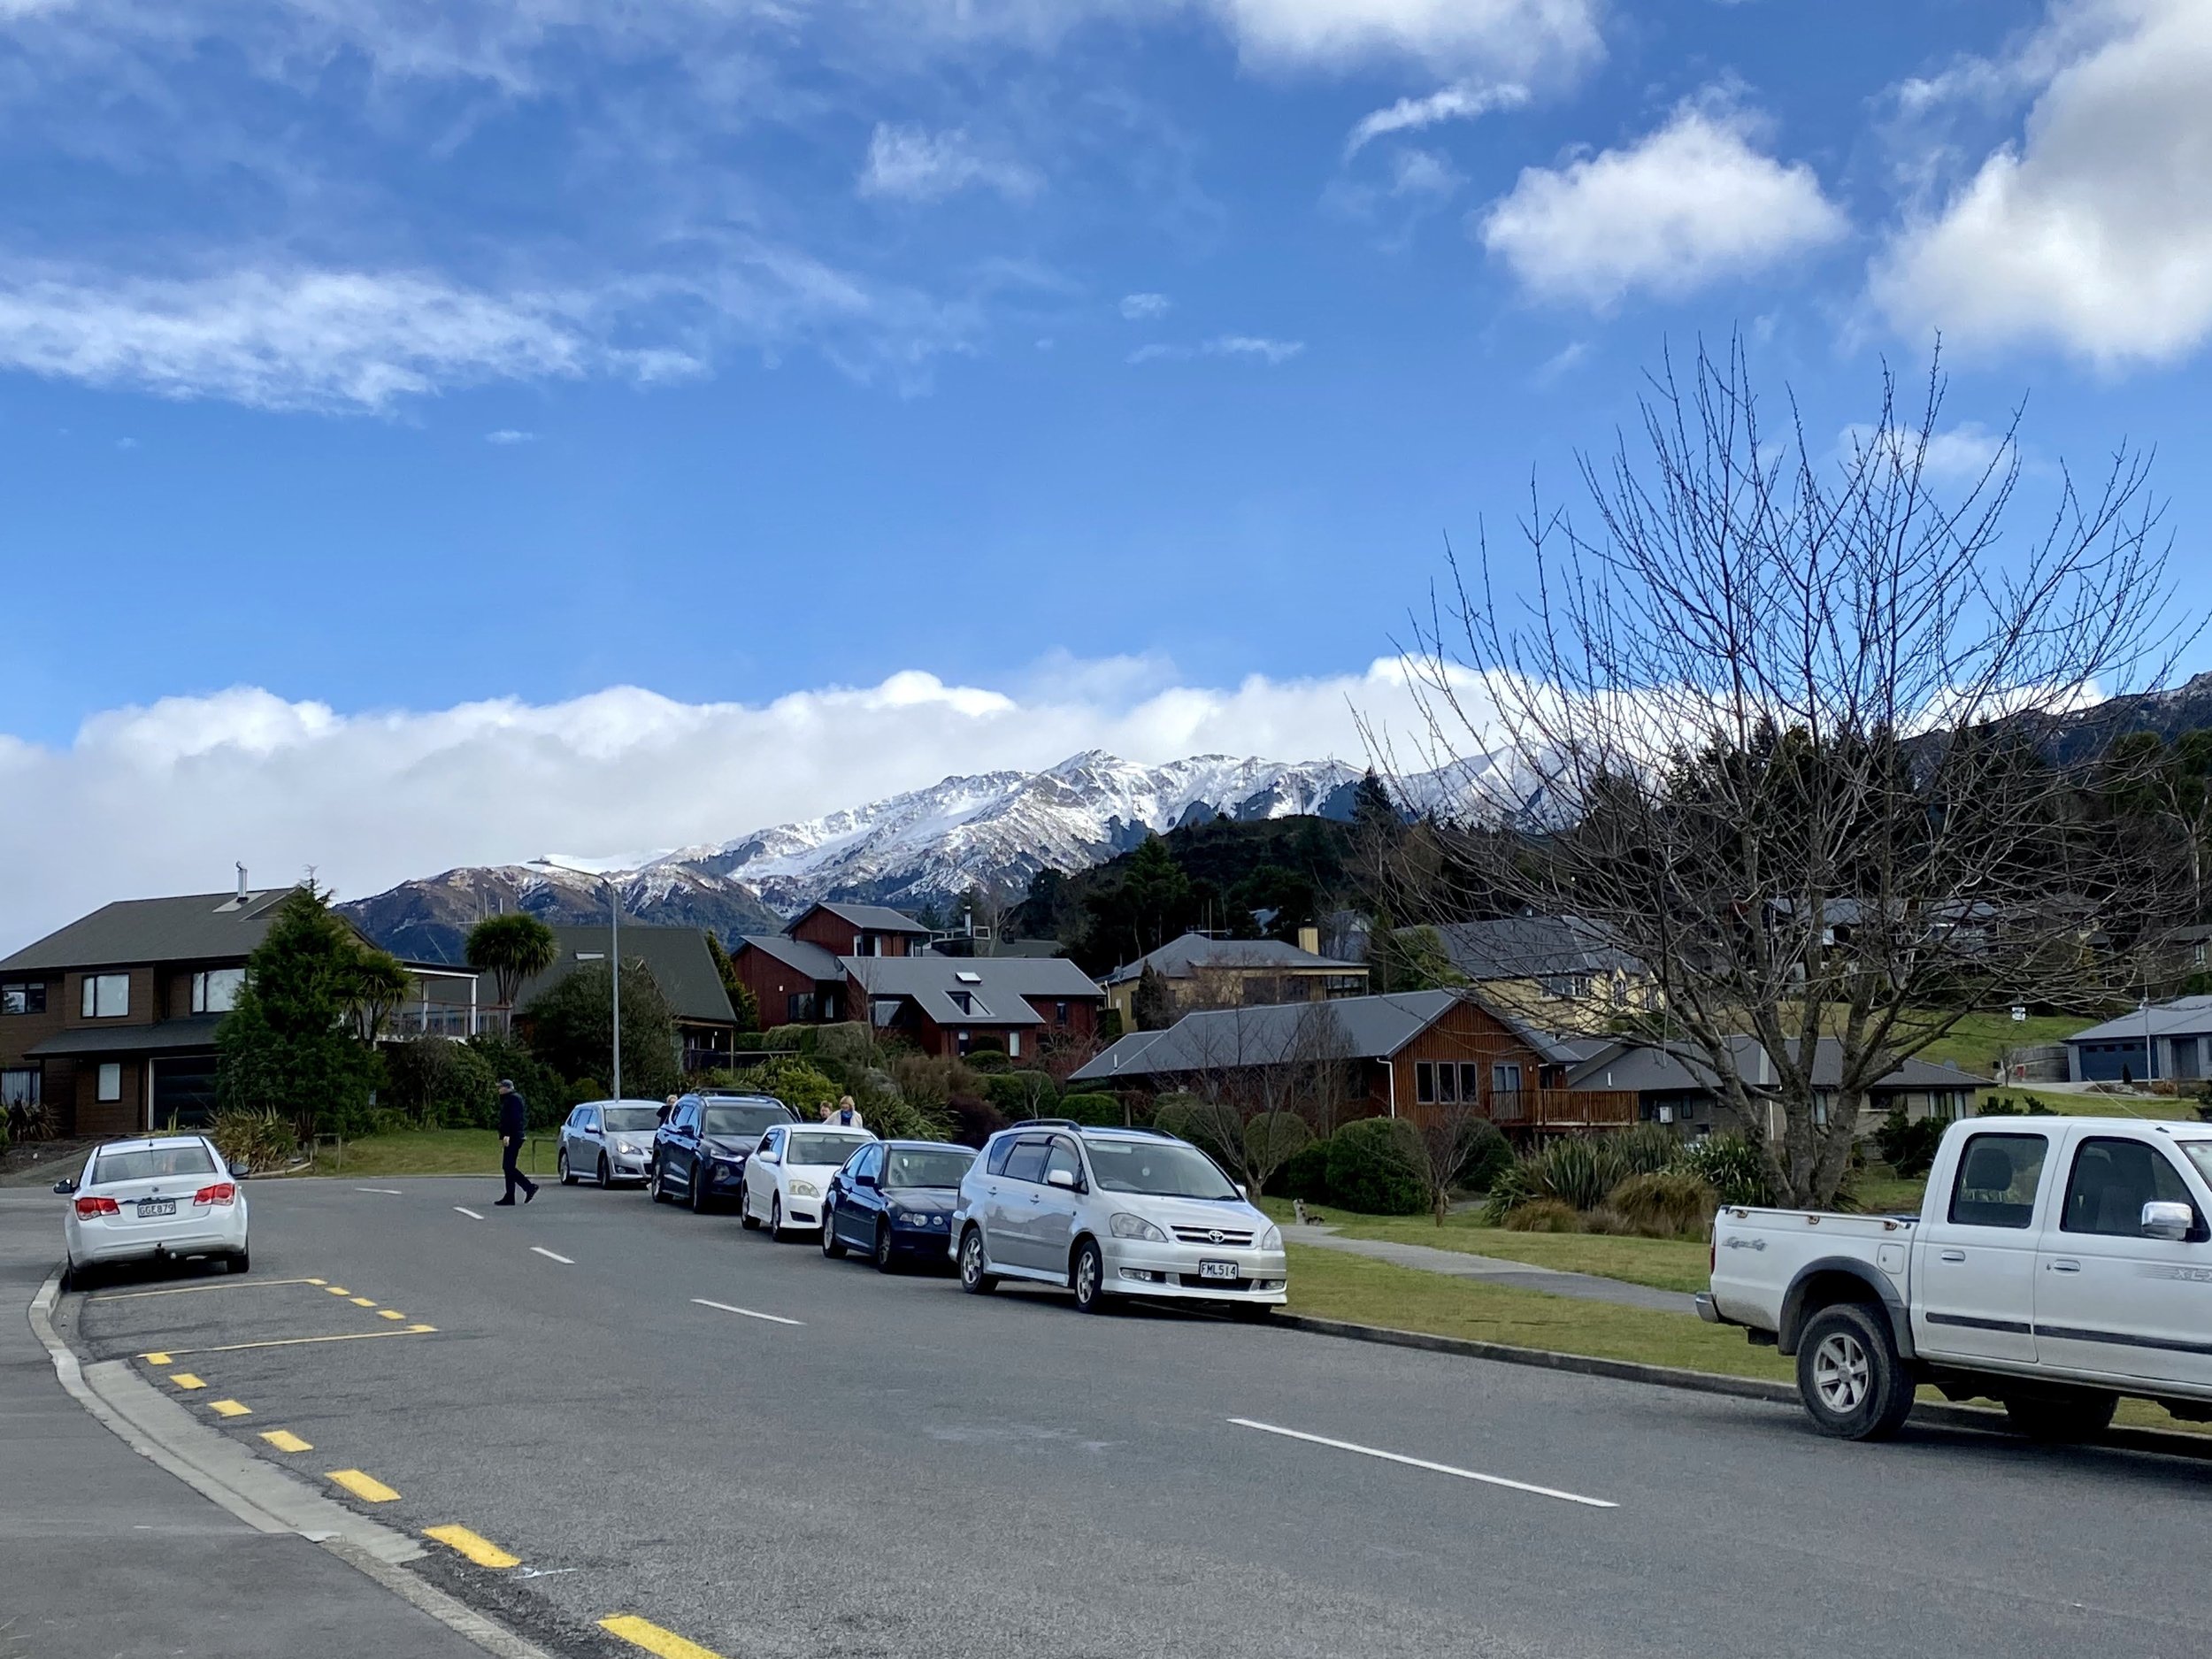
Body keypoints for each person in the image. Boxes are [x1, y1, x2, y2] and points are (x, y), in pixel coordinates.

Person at [494, 1079, 538, 1206]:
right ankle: (510, 1196)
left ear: (507, 1088)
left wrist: (508, 1134)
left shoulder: (513, 1099)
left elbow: (514, 1119)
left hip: (514, 1136)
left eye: (501, 1087)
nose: (499, 1089)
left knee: (508, 1166)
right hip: (513, 1136)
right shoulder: (510, 1099)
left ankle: (529, 1187)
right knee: (508, 1167)